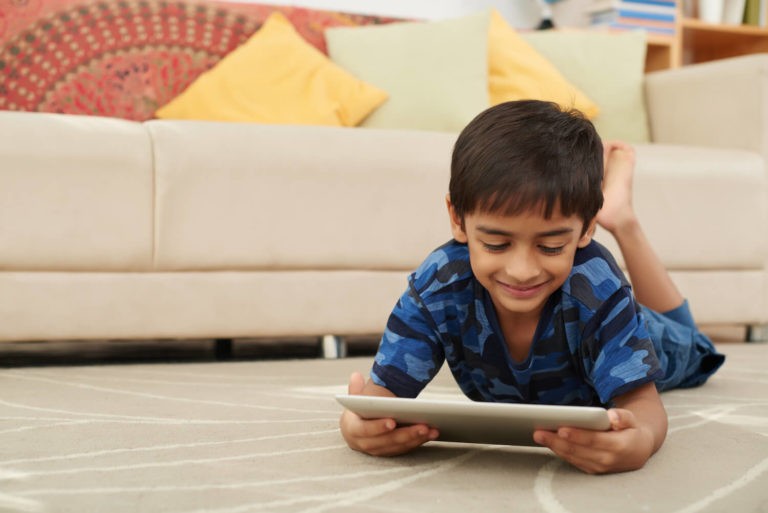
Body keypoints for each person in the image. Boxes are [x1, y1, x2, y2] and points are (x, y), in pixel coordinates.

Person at [339, 100, 725, 474]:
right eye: (496, 244)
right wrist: (359, 424)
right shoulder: (439, 285)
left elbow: (643, 405)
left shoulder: (598, 288)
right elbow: (381, 397)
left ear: (586, 228)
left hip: (630, 327)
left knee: (694, 344)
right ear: (458, 218)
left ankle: (621, 218)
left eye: (551, 246)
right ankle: (611, 213)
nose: (522, 271)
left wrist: (640, 440)